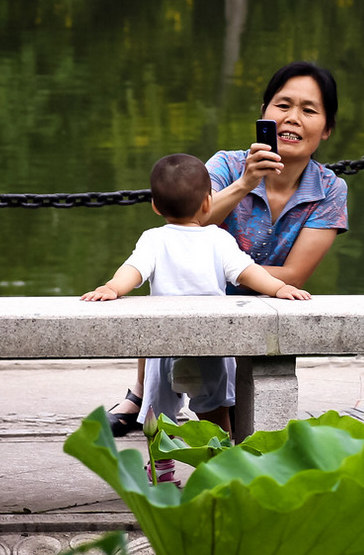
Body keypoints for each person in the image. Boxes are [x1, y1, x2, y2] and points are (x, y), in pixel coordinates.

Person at [103, 61, 348, 437]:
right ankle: (139, 393)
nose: (293, 118)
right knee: (169, 271)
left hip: (265, 299)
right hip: (197, 298)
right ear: (264, 113)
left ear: (327, 128)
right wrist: (245, 183)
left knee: (228, 423)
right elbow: (184, 227)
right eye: (282, 106)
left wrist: (217, 270)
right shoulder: (226, 165)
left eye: (309, 110)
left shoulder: (330, 189)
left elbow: (295, 274)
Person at [81, 153, 312, 482]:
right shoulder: (219, 239)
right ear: (208, 202)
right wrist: (279, 288)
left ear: (155, 206)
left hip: (165, 347)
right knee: (215, 411)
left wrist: (112, 288)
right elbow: (247, 273)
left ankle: (162, 471)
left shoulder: (154, 239)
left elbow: (133, 271)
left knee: (159, 415)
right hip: (212, 345)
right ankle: (221, 466)